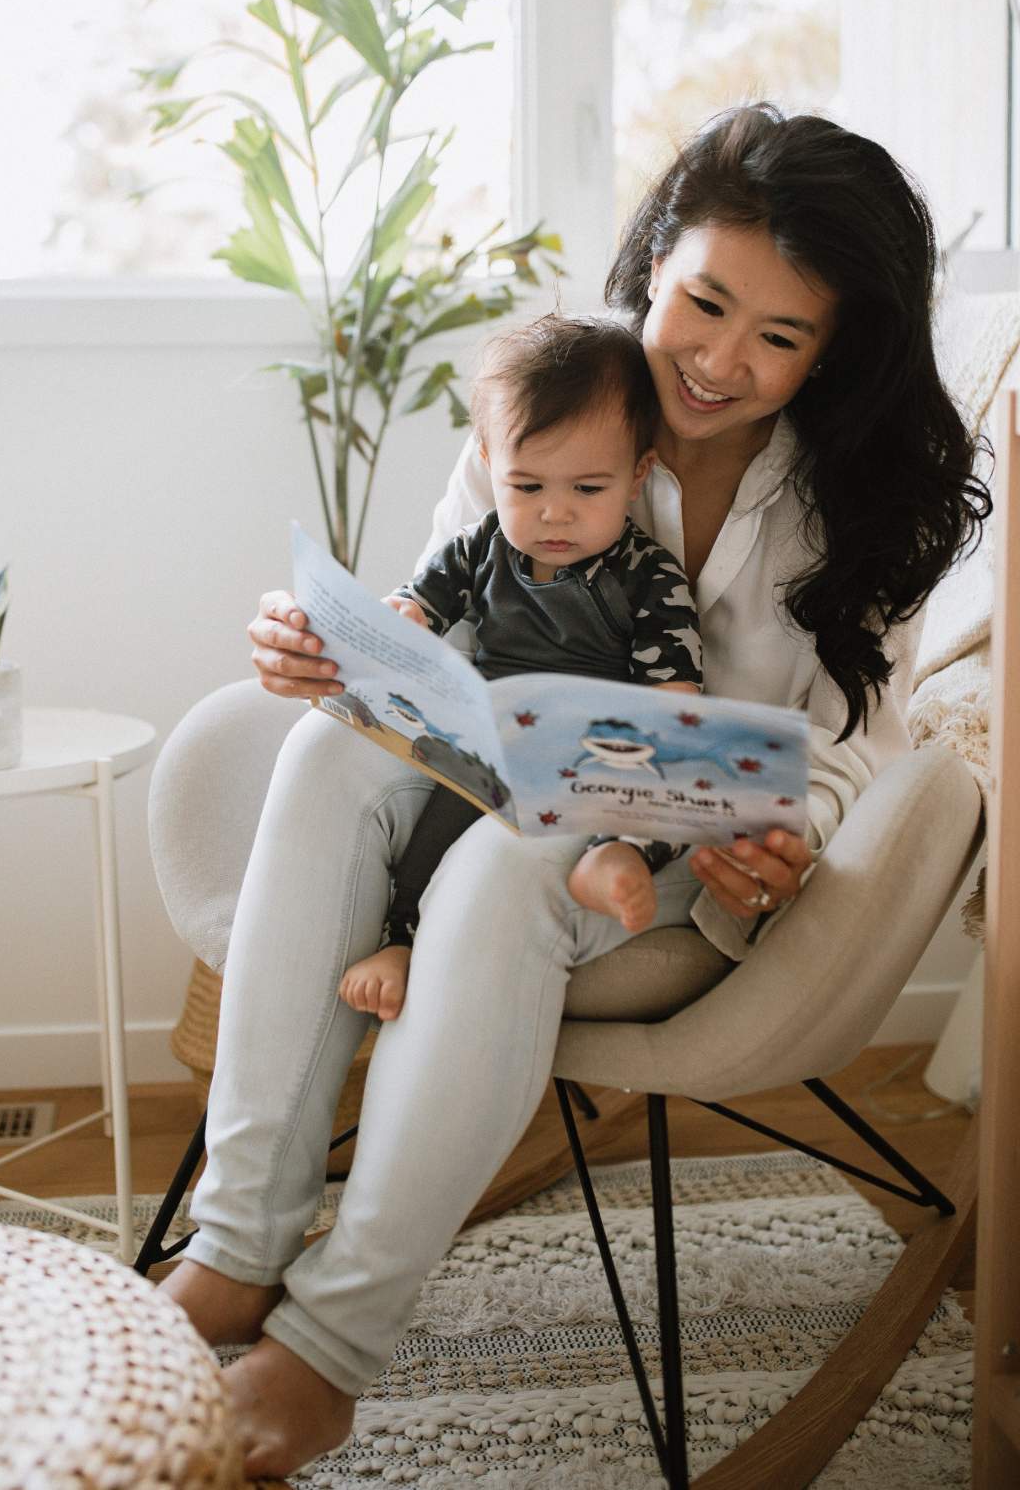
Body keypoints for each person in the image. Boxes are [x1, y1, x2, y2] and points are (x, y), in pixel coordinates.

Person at [162, 104, 989, 1482]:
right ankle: (238, 1250)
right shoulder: (549, 401)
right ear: (657, 258)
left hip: (675, 857)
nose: (721, 361)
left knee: (515, 861)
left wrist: (796, 836)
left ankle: (328, 1351)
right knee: (327, 750)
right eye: (705, 303)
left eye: (778, 338)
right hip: (502, 789)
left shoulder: (869, 491)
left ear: (832, 350)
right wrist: (332, 652)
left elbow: (862, 735)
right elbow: (444, 640)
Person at [339, 312, 704, 1026]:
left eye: (587, 490)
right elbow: (420, 603)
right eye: (528, 487)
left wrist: (669, 723)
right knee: (436, 832)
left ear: (638, 475)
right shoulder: (483, 548)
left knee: (665, 789)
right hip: (495, 738)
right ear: (488, 461)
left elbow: (675, 687)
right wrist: (395, 622)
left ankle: (615, 858)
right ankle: (401, 940)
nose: (554, 514)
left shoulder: (646, 573)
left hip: (598, 744)